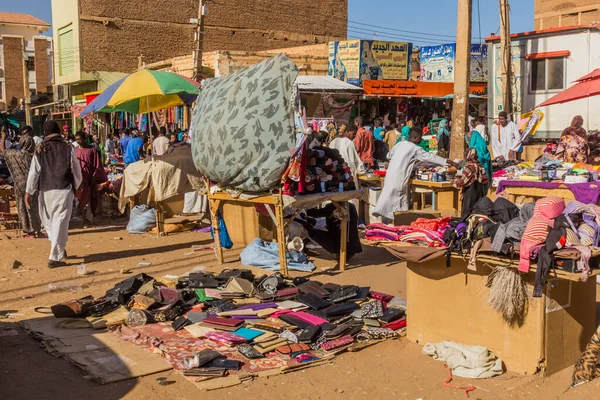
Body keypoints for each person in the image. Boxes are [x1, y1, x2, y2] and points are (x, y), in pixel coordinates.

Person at [25, 120, 82, 268]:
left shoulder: (40, 148)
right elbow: (75, 168)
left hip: (46, 190)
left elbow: (34, 172)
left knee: (50, 221)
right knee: (60, 221)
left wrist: (29, 192)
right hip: (63, 188)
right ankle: (55, 256)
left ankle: (57, 249)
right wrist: (78, 184)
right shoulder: (68, 147)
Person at [373, 127, 456, 222]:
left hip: (391, 175)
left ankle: (389, 222)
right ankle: (398, 222)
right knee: (398, 201)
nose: (421, 140)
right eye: (420, 137)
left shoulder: (400, 144)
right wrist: (449, 162)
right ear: (415, 137)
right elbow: (430, 157)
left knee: (389, 198)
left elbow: (388, 156)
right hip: (400, 178)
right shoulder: (415, 149)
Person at [0, 127, 42, 237]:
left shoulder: (15, 155)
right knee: (35, 207)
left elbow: (3, 150)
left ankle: (28, 230)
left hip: (20, 184)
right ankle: (37, 229)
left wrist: (3, 138)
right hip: (33, 185)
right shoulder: (35, 156)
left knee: (23, 207)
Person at [74, 131, 107, 226]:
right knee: (79, 200)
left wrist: (94, 177)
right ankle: (82, 219)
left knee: (88, 201)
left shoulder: (92, 150)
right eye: (76, 140)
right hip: (78, 180)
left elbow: (97, 165)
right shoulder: (75, 150)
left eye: (79, 139)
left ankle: (87, 219)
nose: (78, 141)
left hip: (89, 179)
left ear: (85, 139)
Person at [453, 148, 489, 219]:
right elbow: (485, 180)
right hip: (479, 193)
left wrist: (453, 182)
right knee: (476, 214)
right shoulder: (480, 165)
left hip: (470, 193)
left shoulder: (469, 166)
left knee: (467, 214)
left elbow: (462, 182)